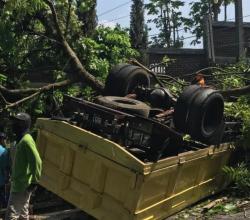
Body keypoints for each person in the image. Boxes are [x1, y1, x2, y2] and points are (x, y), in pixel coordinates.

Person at [5, 113, 42, 220]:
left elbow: (37, 161)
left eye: (16, 122)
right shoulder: (21, 140)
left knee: (11, 216)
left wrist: (35, 181)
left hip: (21, 185)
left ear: (23, 125)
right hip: (21, 183)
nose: (13, 125)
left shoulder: (26, 140)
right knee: (22, 214)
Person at [0, 132, 9, 208]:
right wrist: (7, 177)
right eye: (5, 139)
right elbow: (5, 167)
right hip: (1, 180)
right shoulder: (4, 151)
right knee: (3, 200)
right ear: (2, 140)